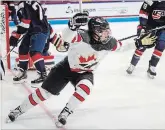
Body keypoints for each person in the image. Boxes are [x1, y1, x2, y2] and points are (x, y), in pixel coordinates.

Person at [6, 12, 157, 128]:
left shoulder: (109, 42)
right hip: (65, 69)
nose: (107, 33)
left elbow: (123, 46)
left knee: (85, 88)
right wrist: (71, 26)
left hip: (85, 72)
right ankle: (18, 110)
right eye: (103, 31)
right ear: (94, 31)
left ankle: (66, 112)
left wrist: (139, 43)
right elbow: (67, 37)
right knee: (43, 94)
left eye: (107, 30)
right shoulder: (82, 36)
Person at [126, 0, 165, 79]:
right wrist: (143, 27)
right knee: (142, 44)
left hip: (164, 27)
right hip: (149, 27)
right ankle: (132, 64)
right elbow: (143, 13)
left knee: (161, 44)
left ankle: (152, 67)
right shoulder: (150, 1)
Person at [9, 1, 50, 83]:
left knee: (34, 52)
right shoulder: (29, 2)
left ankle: (43, 74)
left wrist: (16, 35)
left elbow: (25, 23)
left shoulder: (23, 4)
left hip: (39, 30)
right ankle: (22, 71)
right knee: (23, 48)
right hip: (34, 29)